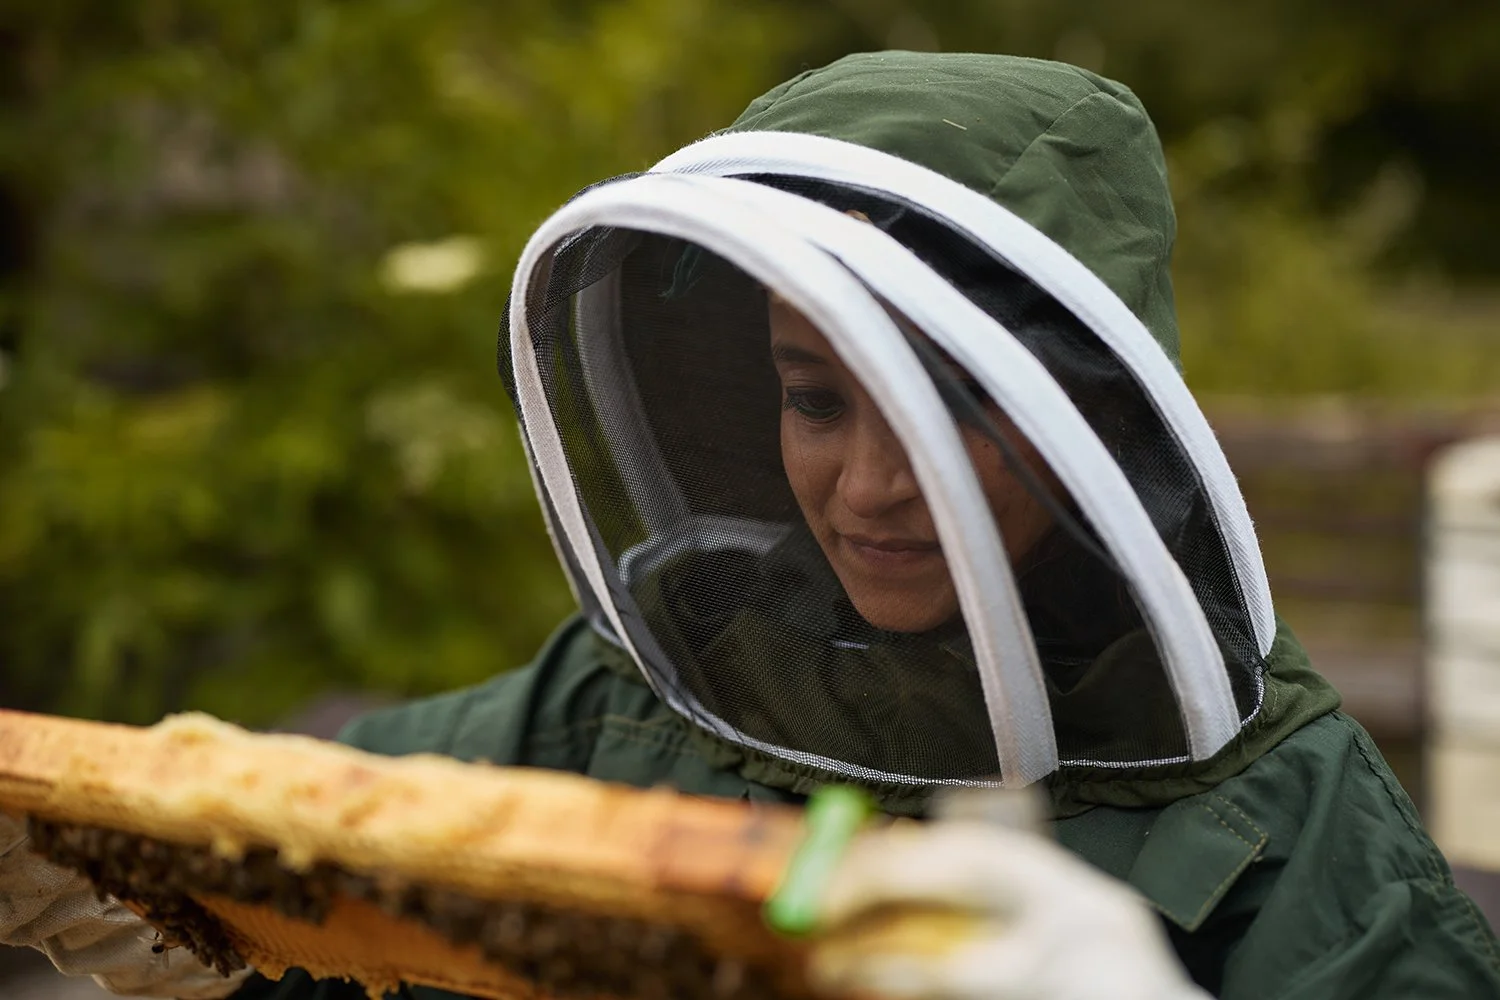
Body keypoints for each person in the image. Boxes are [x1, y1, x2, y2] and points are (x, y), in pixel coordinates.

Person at [5, 50, 1498, 1000]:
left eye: (947, 414)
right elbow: (339, 803)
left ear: (1084, 418)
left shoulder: (1295, 822)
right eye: (814, 400)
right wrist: (108, 836)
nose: (866, 488)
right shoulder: (678, 663)